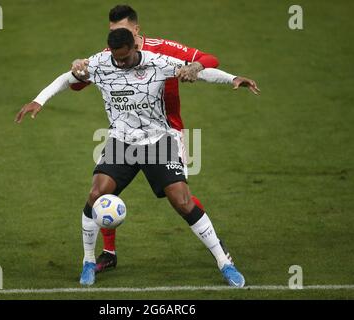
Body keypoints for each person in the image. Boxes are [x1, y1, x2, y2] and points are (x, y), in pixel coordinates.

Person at [15, 27, 259, 287]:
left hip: (158, 140)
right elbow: (67, 79)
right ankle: (88, 261)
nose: (120, 63)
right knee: (96, 194)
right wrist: (39, 100)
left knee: (183, 200)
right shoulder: (100, 64)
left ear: (135, 48)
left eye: (125, 58)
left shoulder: (158, 62)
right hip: (122, 142)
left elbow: (202, 71)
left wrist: (232, 78)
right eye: (116, 59)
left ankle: (224, 262)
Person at [68, 5, 259, 273]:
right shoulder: (111, 54)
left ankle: (219, 250)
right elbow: (77, 83)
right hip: (126, 134)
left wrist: (202, 68)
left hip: (166, 131)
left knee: (180, 197)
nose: (114, 38)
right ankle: (107, 254)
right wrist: (77, 70)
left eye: (122, 31)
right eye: (112, 32)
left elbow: (207, 60)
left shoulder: (161, 53)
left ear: (136, 30)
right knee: (102, 193)